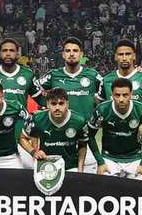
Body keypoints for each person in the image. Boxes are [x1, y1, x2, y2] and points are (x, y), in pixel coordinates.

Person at [35, 37, 103, 173]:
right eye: (68, 51)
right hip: (59, 139)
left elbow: (108, 93)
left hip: (87, 138)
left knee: (85, 183)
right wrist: (44, 106)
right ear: (63, 54)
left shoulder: (93, 75)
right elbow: (33, 88)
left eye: (75, 51)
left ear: (81, 54)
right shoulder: (53, 75)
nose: (72, 54)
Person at [0, 38, 40, 168]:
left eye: (11, 50)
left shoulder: (28, 74)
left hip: (21, 135)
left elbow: (42, 100)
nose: (8, 53)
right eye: (4, 50)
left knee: (24, 176)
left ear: (18, 53)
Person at [88, 78, 142, 181]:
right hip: (109, 158)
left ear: (131, 94)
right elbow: (90, 135)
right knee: (103, 188)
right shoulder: (102, 110)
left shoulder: (141, 109)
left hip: (135, 158)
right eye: (117, 95)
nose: (121, 99)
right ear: (112, 94)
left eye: (125, 95)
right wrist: (100, 162)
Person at [20, 88, 89, 172]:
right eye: (53, 104)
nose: (57, 108)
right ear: (47, 104)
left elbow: (83, 145)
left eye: (61, 103)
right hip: (46, 166)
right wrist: (34, 152)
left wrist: (80, 169)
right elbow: (22, 138)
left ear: (67, 104)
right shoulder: (37, 119)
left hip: (71, 167)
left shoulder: (79, 121)